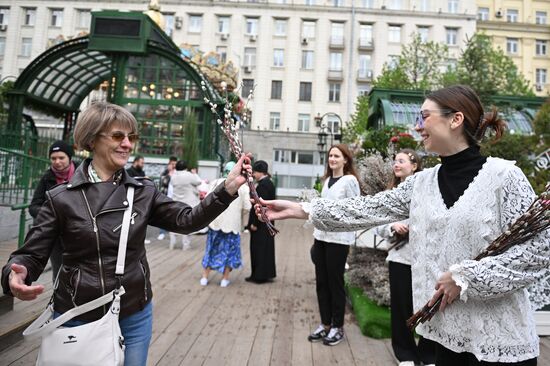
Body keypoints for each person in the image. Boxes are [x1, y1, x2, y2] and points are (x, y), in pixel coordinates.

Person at [257, 85, 549, 365]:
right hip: (447, 342)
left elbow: (540, 251)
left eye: (424, 116)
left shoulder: (504, 177)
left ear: (455, 119)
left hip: (501, 345)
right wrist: (303, 208)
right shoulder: (422, 183)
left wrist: (466, 278)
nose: (417, 126)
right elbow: (368, 207)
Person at [1, 101, 251, 366]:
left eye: (131, 137)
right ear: (92, 139)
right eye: (118, 136)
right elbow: (31, 253)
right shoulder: (61, 198)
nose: (128, 144)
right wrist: (15, 273)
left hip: (134, 311)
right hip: (77, 312)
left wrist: (226, 189)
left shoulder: (143, 191)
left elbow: (186, 220)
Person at [372, 149, 436, 366]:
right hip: (400, 258)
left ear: (414, 165)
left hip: (426, 260)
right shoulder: (390, 193)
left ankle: (428, 354)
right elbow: (376, 225)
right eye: (395, 161)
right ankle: (405, 354)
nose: (396, 164)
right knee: (401, 307)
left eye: (401, 161)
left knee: (429, 306)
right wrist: (392, 226)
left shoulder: (429, 191)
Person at [307, 144, 360, 346]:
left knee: (334, 282)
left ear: (345, 160)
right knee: (321, 282)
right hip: (321, 237)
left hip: (338, 240)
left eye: (337, 156)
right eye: (330, 156)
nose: (333, 159)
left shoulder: (350, 181)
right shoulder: (327, 180)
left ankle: (338, 326)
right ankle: (325, 323)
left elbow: (356, 208)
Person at [29, 140, 79, 282]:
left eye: (61, 158)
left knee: (81, 270)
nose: (57, 162)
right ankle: (59, 301)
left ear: (69, 157)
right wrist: (51, 215)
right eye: (53, 158)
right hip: (56, 234)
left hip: (80, 232)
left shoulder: (83, 173)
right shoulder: (47, 177)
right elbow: (34, 206)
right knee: (59, 271)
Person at [200, 161, 251, 287]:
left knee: (211, 249)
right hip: (233, 225)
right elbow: (247, 207)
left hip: (215, 222)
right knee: (229, 252)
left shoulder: (216, 182)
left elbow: (206, 200)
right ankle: (224, 279)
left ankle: (205, 277)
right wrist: (242, 221)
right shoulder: (243, 187)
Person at [245, 160, 276, 284]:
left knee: (258, 249)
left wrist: (254, 223)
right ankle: (267, 273)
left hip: (260, 223)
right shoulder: (269, 183)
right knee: (266, 249)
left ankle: (258, 275)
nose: (253, 175)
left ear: (260, 172)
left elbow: (260, 206)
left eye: (255, 172)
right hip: (267, 222)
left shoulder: (262, 185)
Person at [169, 160, 202, 250]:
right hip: (188, 202)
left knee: (174, 223)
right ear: (186, 167)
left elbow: (172, 185)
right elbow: (198, 182)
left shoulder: (173, 176)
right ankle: (185, 245)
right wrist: (194, 173)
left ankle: (172, 243)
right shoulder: (189, 175)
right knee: (187, 223)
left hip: (176, 202)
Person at [157, 156, 177, 241]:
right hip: (165, 197)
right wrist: (169, 175)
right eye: (172, 164)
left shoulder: (177, 172)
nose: (173, 166)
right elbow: (163, 182)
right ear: (169, 164)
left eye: (175, 164)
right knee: (163, 215)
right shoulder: (165, 172)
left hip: (175, 197)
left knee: (172, 216)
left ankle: (171, 233)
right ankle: (162, 233)